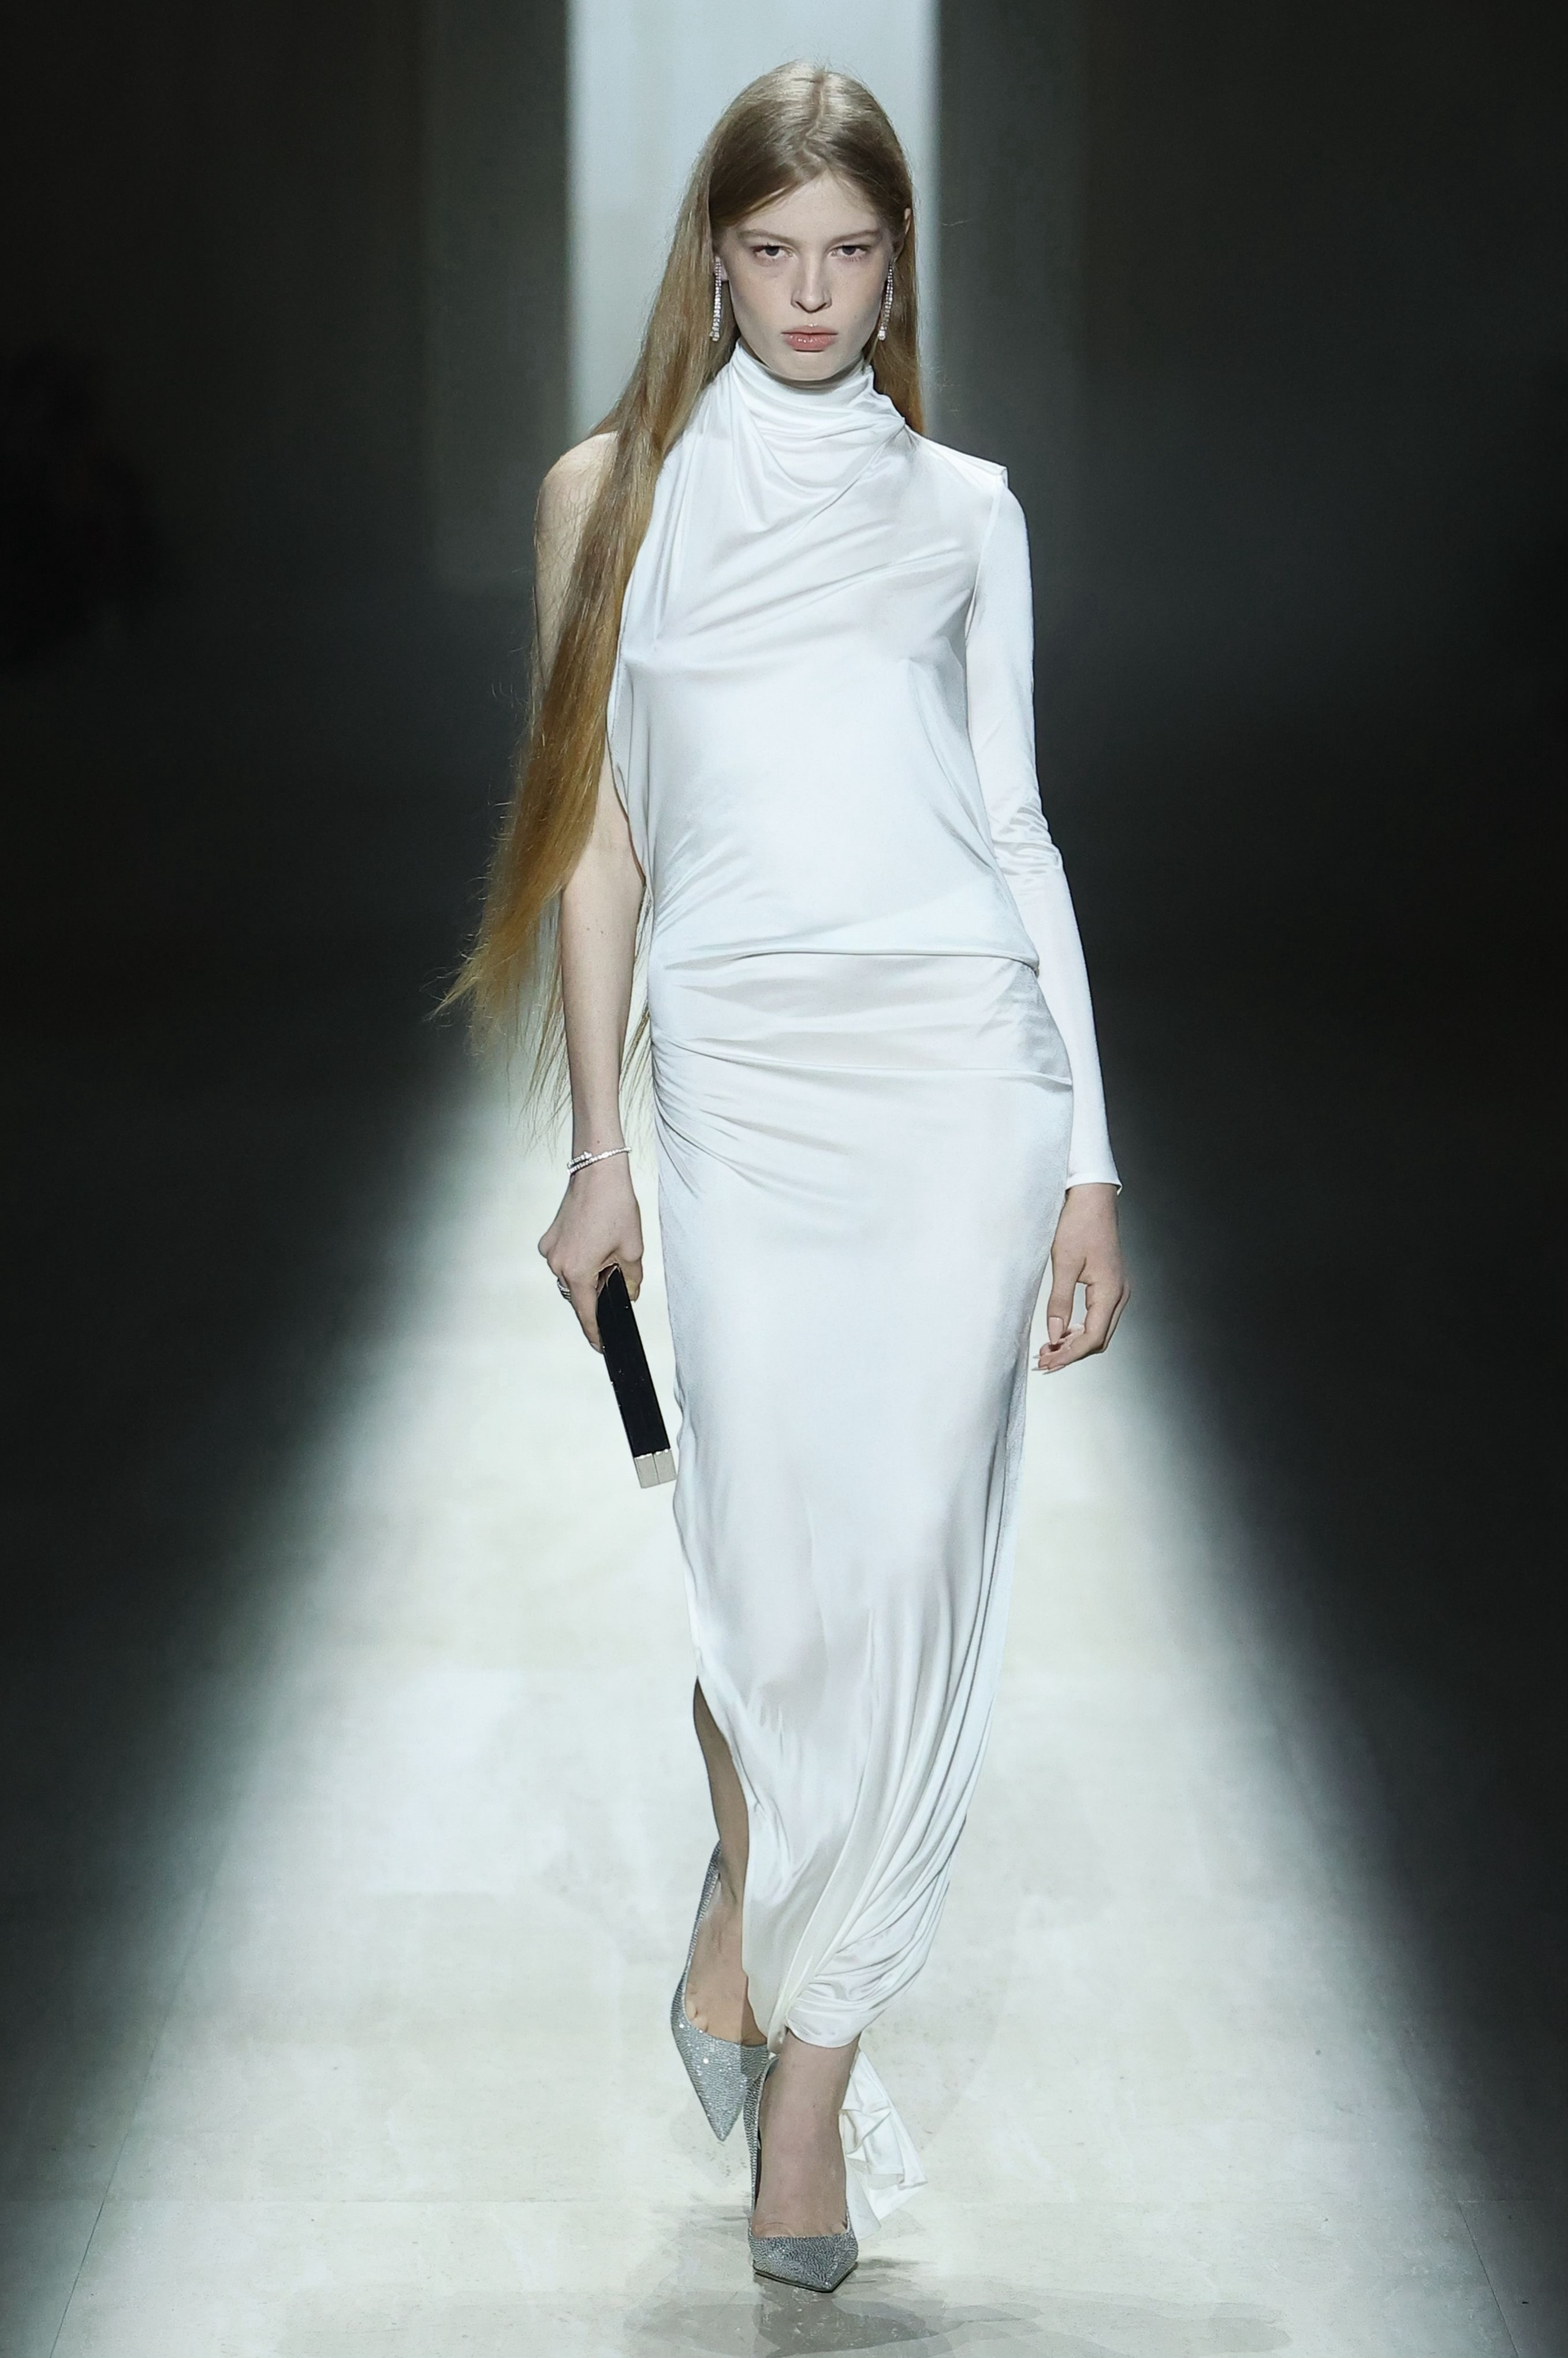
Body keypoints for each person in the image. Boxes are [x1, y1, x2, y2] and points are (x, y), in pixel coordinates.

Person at [453, 61, 1128, 2294]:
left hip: (956, 1081)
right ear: (714, 260)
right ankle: (750, 1893)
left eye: (851, 253)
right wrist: (597, 1150)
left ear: (897, 264)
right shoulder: (607, 500)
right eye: (773, 253)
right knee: (764, 1579)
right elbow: (596, 838)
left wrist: (1086, 1162)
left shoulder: (967, 512)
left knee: (912, 1578)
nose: (814, 294)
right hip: (738, 1088)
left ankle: (810, 2092)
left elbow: (1013, 824)